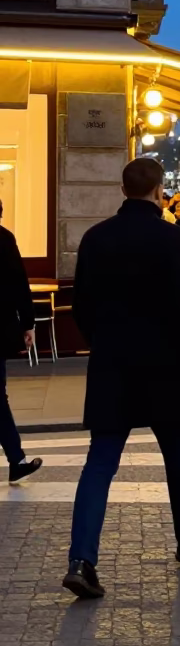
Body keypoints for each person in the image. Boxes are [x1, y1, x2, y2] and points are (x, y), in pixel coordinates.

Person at [63, 157, 180, 601]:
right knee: (177, 452)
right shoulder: (170, 237)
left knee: (100, 462)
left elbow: (81, 306)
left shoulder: (95, 238)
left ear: (122, 189)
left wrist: (102, 342)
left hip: (112, 365)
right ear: (159, 190)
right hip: (163, 366)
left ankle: (81, 559)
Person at [0, 201, 42, 484]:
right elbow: (19, 283)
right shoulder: (3, 238)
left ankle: (16, 458)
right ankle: (16, 459)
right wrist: (28, 323)